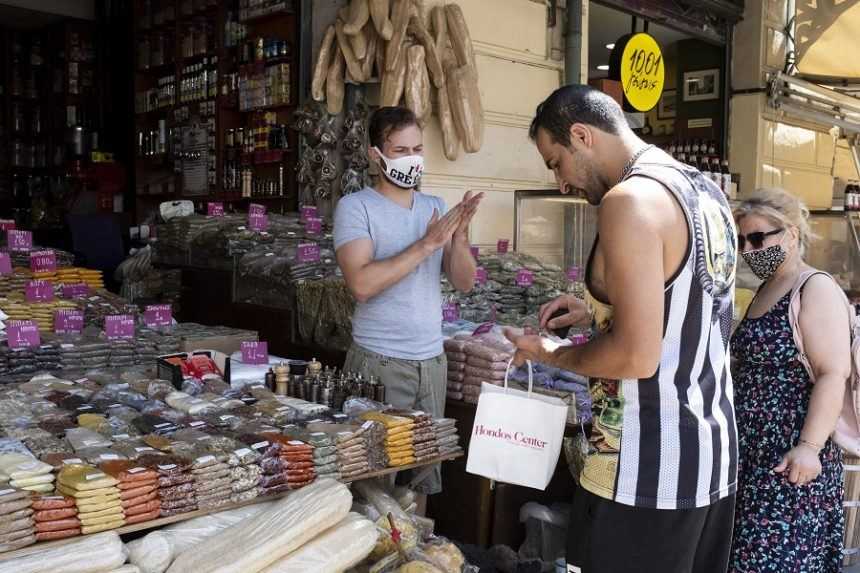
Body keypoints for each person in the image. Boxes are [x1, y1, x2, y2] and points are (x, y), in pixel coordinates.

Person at [507, 85, 738, 573]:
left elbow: (636, 356)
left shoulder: (628, 201)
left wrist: (551, 352)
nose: (562, 183)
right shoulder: (703, 190)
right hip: (709, 461)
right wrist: (597, 313)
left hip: (644, 471)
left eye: (555, 163)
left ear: (581, 135)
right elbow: (687, 305)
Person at [334, 106, 483, 508]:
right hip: (378, 364)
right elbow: (361, 284)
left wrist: (460, 237)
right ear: (375, 155)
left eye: (417, 148)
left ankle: (417, 558)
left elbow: (465, 281)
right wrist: (427, 244)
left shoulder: (434, 205)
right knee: (371, 481)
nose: (412, 159)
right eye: (400, 150)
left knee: (422, 478)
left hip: (432, 365)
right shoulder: (356, 208)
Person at [730, 189, 849, 572]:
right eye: (742, 240)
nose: (749, 249)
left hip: (789, 459)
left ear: (791, 234)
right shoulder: (763, 289)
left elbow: (833, 372)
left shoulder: (815, 288)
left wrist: (809, 446)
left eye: (758, 238)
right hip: (751, 455)